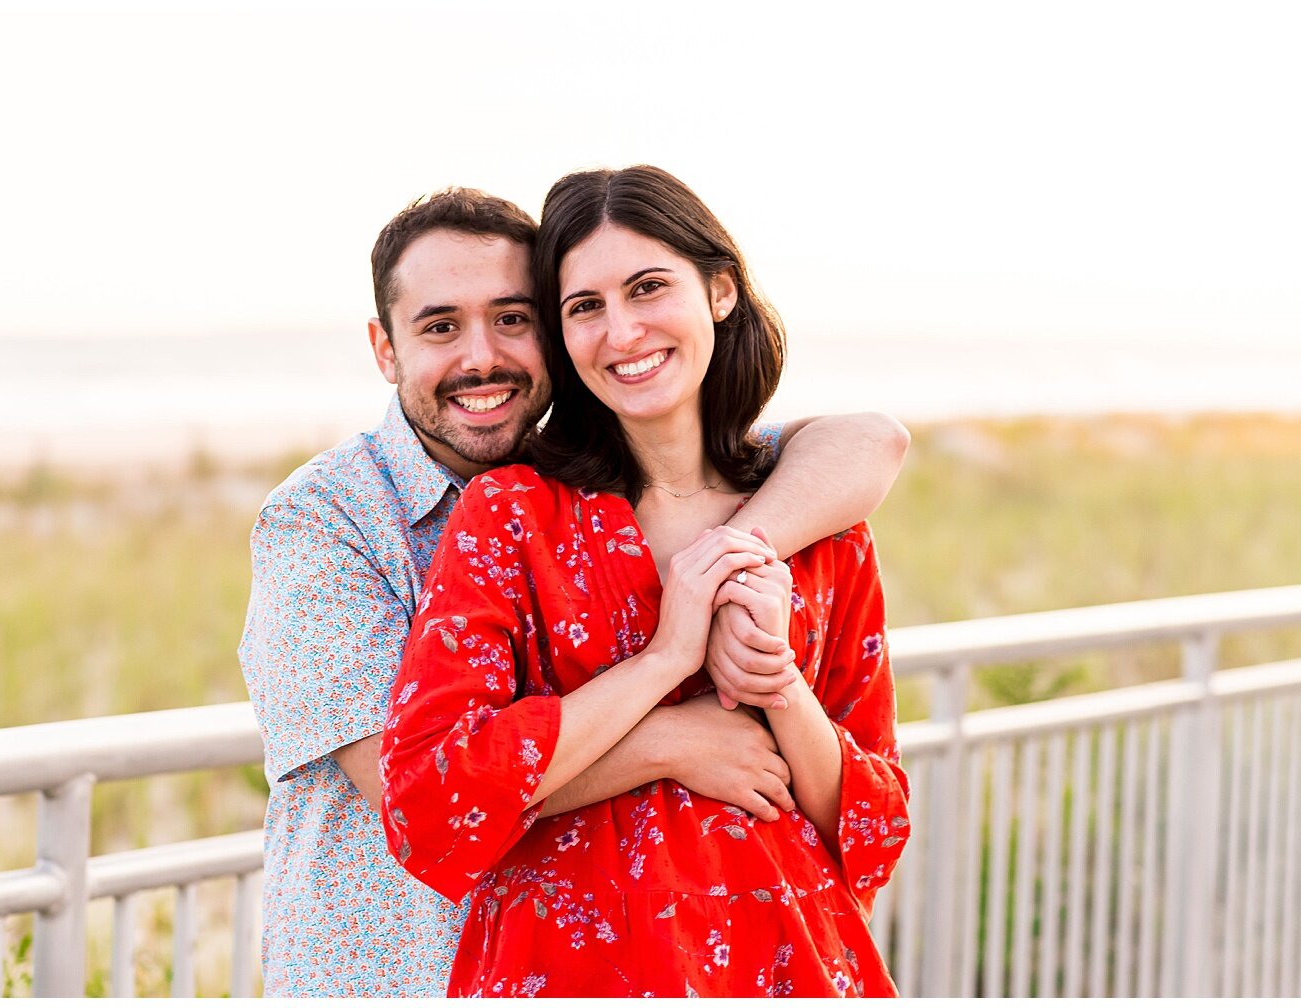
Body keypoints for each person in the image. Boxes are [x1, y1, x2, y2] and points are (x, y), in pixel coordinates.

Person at [239, 186, 909, 997]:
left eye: (513, 318)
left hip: (771, 959)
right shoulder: (330, 522)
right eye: (440, 326)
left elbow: (867, 441)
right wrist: (670, 735)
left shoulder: (786, 504)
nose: (481, 356)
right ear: (387, 348)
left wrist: (742, 585)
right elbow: (413, 793)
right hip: (402, 972)